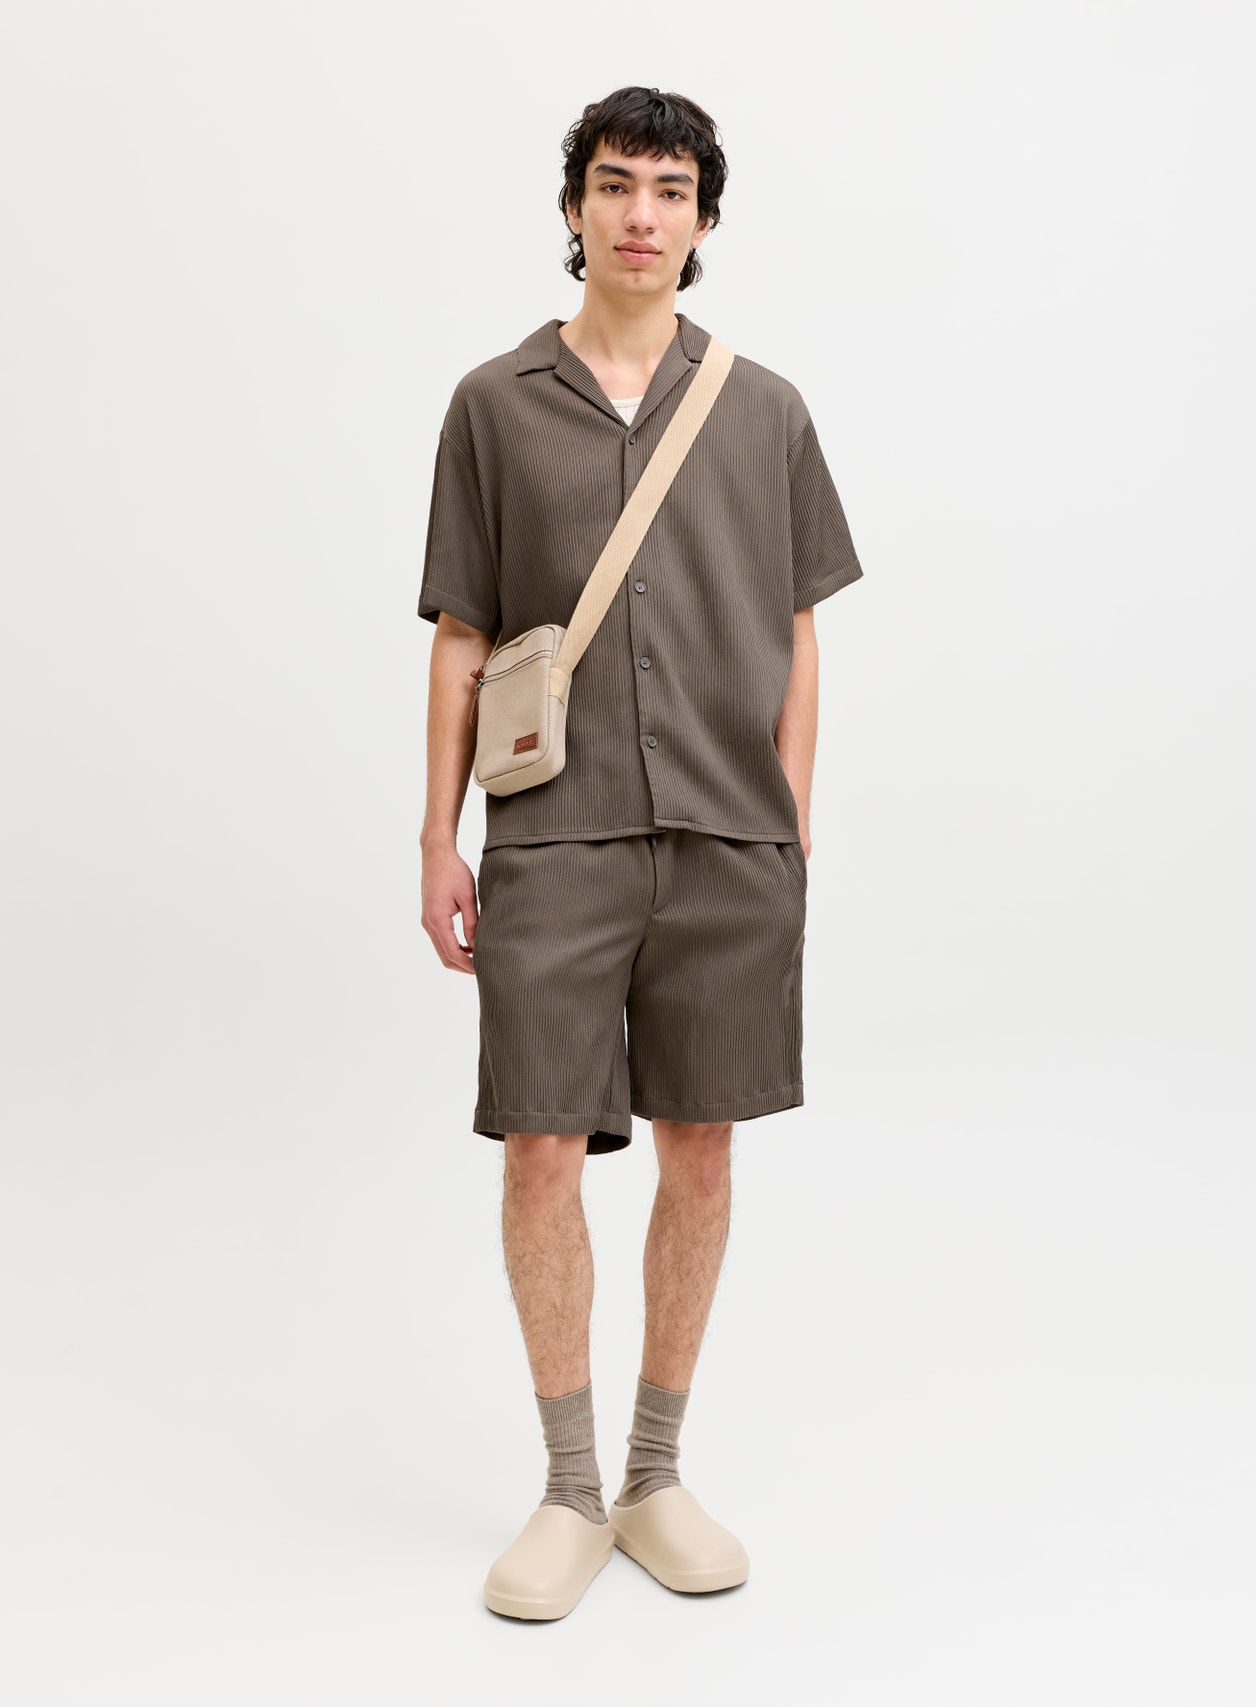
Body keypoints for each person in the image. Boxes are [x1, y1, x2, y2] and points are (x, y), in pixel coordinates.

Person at [416, 85, 863, 1620]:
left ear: (705, 219)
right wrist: (437, 838)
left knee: (702, 1146)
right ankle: (567, 1489)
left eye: (672, 190)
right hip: (554, 833)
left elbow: (800, 631)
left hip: (731, 841)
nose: (641, 214)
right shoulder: (492, 405)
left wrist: (789, 818)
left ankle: (657, 1474)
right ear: (573, 209)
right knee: (541, 1147)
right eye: (615, 185)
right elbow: (463, 635)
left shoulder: (767, 409)